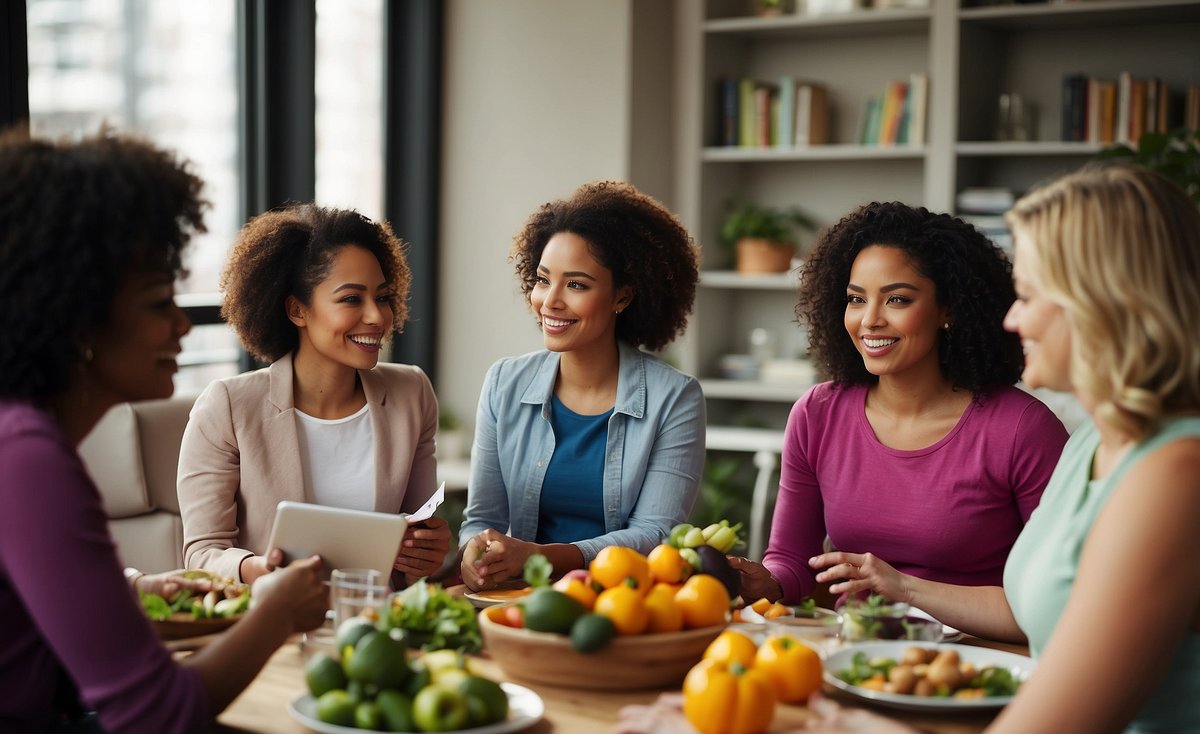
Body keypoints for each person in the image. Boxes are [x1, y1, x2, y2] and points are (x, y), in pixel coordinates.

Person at [620, 165, 1200, 734]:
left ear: (1108, 299)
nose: (1012, 317)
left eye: (1030, 293)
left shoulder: (1179, 473)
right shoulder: (1094, 447)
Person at [0, 129, 340, 734]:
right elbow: (159, 724)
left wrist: (135, 591)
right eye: (159, 304)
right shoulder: (27, 456)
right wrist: (274, 610)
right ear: (78, 323)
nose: (183, 327)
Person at [733, 202, 1069, 610]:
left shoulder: (1022, 429)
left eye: (897, 300)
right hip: (858, 656)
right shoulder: (817, 414)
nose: (869, 320)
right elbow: (793, 563)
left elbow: (1058, 594)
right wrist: (762, 583)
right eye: (856, 300)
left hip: (980, 654)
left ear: (948, 309)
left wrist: (903, 585)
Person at [178, 202, 451, 587]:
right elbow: (203, 554)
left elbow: (415, 539)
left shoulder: (411, 393)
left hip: (376, 624)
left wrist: (427, 552)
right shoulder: (228, 407)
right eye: (352, 299)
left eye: (383, 297)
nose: (376, 316)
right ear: (296, 310)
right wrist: (260, 570)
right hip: (272, 625)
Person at [459, 181, 706, 590]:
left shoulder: (674, 398)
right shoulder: (504, 382)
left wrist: (543, 557)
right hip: (516, 603)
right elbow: (482, 520)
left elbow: (655, 535)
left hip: (619, 607)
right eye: (542, 280)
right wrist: (475, 553)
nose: (550, 301)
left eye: (576, 285)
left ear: (622, 297)